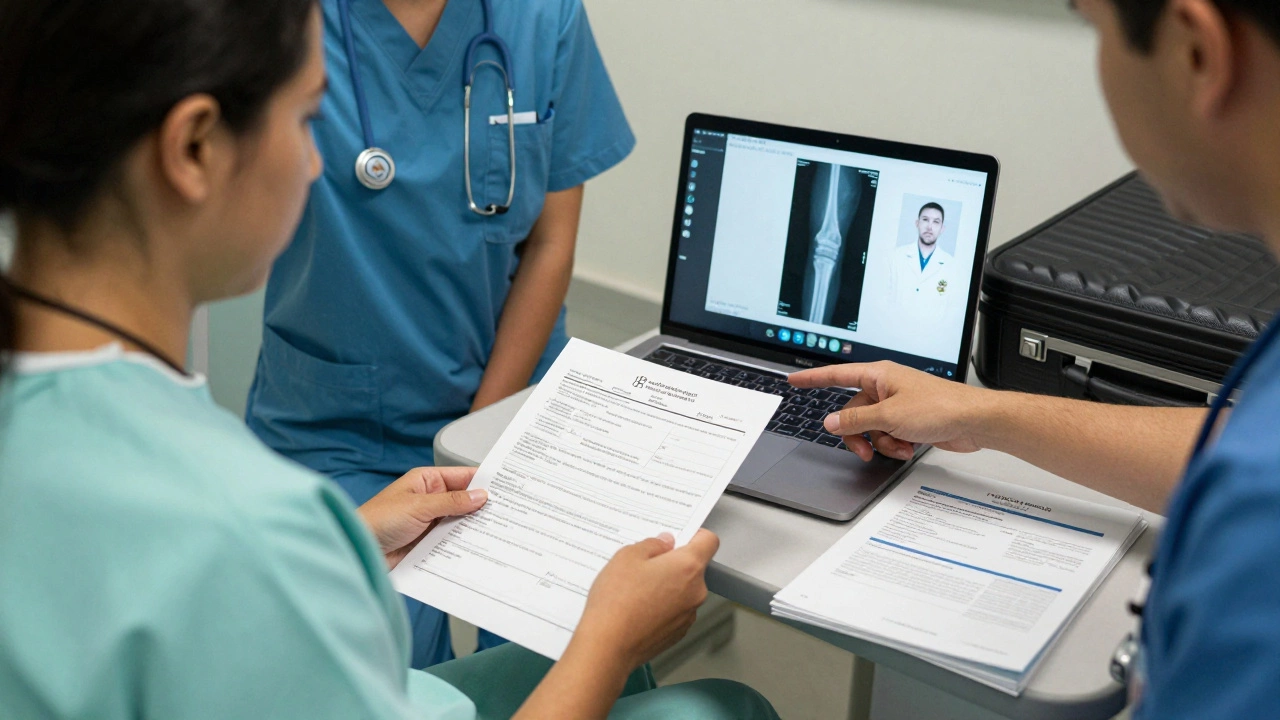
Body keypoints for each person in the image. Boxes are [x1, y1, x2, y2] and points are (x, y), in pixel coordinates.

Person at [0, 2, 778, 718]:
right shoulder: (241, 525)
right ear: (195, 147)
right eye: (306, 118)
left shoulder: (74, 439)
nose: (314, 165)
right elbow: (234, 564)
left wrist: (347, 538)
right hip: (334, 444)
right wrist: (610, 641)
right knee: (723, 708)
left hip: (407, 498)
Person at [792, 0, 1280, 716]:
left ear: (1196, 51)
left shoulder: (1257, 530)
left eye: (1096, 29)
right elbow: (1235, 443)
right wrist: (983, 413)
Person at [242, 0, 634, 666]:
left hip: (514, 418)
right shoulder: (278, 20)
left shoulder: (544, 16)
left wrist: (477, 439)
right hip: (334, 428)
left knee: (561, 648)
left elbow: (551, 243)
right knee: (376, 661)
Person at [887, 201, 959, 339]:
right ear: (917, 223)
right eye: (925, 220)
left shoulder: (951, 265)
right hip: (893, 335)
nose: (929, 227)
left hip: (931, 340)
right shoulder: (896, 256)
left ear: (942, 228)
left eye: (936, 222)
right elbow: (885, 298)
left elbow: (952, 310)